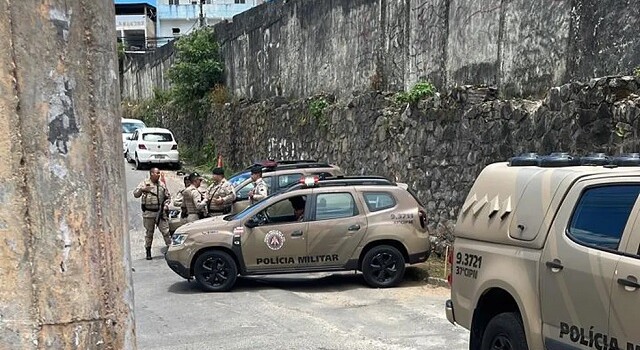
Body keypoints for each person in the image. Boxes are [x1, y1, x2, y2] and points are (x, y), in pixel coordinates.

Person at [133, 167, 172, 260]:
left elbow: (168, 197)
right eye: (157, 173)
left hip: (160, 213)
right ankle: (148, 251)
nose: (158, 175)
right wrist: (142, 189)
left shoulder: (162, 185)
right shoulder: (144, 183)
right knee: (149, 233)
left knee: (166, 232)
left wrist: (166, 205)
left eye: (159, 173)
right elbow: (135, 194)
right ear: (151, 174)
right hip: (149, 213)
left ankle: (171, 250)